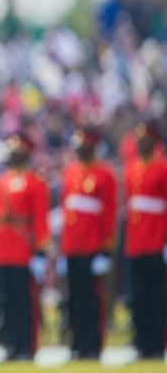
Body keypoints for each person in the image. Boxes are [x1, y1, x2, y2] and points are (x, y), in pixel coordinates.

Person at [0, 134, 49, 361]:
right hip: (2, 251)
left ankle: (26, 347)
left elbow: (40, 218)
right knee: (6, 301)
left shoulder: (35, 181)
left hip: (23, 250)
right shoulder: (0, 181)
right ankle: (11, 345)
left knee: (25, 301)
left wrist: (41, 250)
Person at [59, 128, 117, 360]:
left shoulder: (105, 174)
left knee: (92, 300)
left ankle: (93, 346)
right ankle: (77, 345)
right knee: (74, 299)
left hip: (93, 248)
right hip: (73, 247)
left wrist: (105, 249)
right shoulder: (72, 172)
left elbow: (109, 213)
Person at [123, 119, 167, 360]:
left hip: (156, 242)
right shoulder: (132, 169)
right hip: (136, 243)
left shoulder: (163, 169)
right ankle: (141, 343)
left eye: (145, 139)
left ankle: (157, 345)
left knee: (156, 297)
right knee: (138, 296)